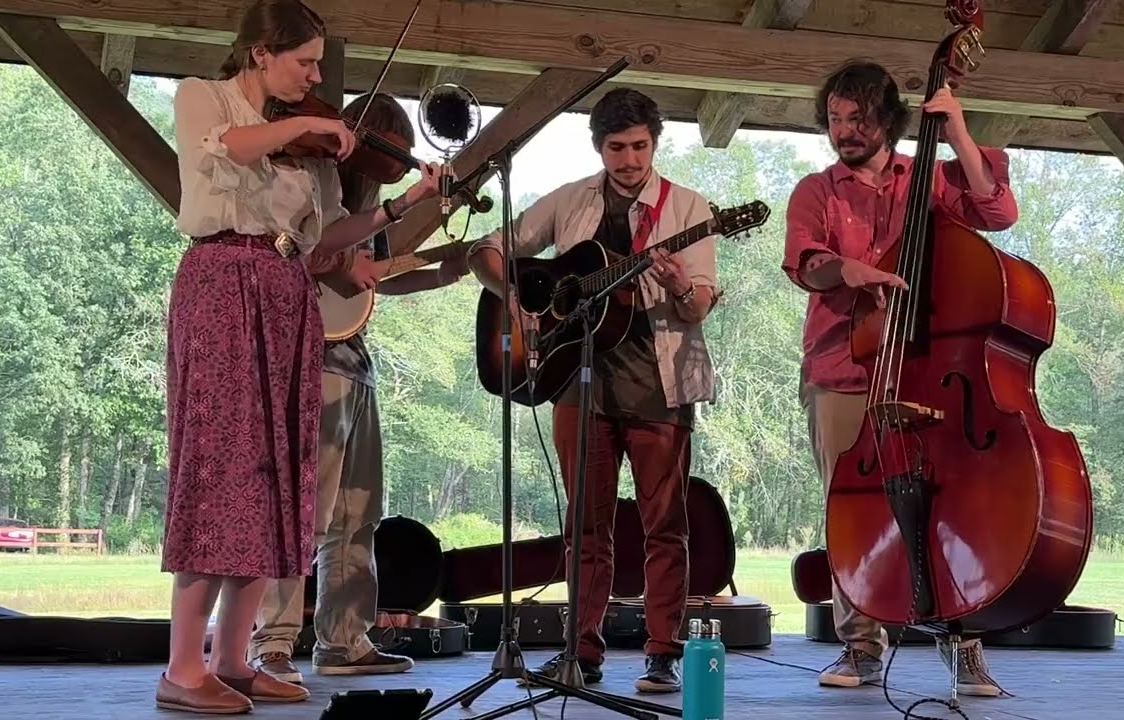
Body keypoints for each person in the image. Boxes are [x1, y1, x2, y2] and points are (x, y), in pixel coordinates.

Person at [159, 0, 443, 713]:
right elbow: (225, 147)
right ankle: (182, 669)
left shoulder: (308, 151)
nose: (316, 77)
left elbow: (326, 239)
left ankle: (233, 659)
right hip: (223, 282)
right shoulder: (203, 98)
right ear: (261, 52)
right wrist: (303, 125)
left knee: (276, 476)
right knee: (220, 470)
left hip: (286, 293)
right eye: (306, 61)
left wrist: (402, 203)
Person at [467, 88, 720, 694]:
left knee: (665, 528)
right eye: (616, 148)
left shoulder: (688, 207)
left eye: (640, 146)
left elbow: (699, 306)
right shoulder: (572, 198)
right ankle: (580, 652)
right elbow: (486, 251)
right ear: (598, 147)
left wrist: (679, 285)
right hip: (576, 383)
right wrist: (518, 298)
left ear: (655, 143)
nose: (630, 159)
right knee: (585, 528)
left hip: (659, 387)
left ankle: (663, 654)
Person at [782, 60, 1018, 696]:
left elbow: (998, 212)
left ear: (888, 119)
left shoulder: (929, 177)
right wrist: (849, 270)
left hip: (928, 369)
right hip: (843, 367)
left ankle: (962, 643)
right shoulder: (816, 190)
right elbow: (806, 263)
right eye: (835, 119)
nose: (844, 131)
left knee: (952, 501)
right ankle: (861, 646)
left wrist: (959, 131)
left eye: (858, 119)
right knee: (851, 506)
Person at [246, 92, 470, 685]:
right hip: (306, 359)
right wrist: (345, 266)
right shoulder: (309, 188)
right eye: (387, 156)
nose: (392, 167)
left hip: (355, 362)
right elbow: (300, 260)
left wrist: (445, 272)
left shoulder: (368, 209)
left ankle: (344, 640)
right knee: (304, 510)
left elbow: (374, 283)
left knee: (356, 512)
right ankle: (271, 642)